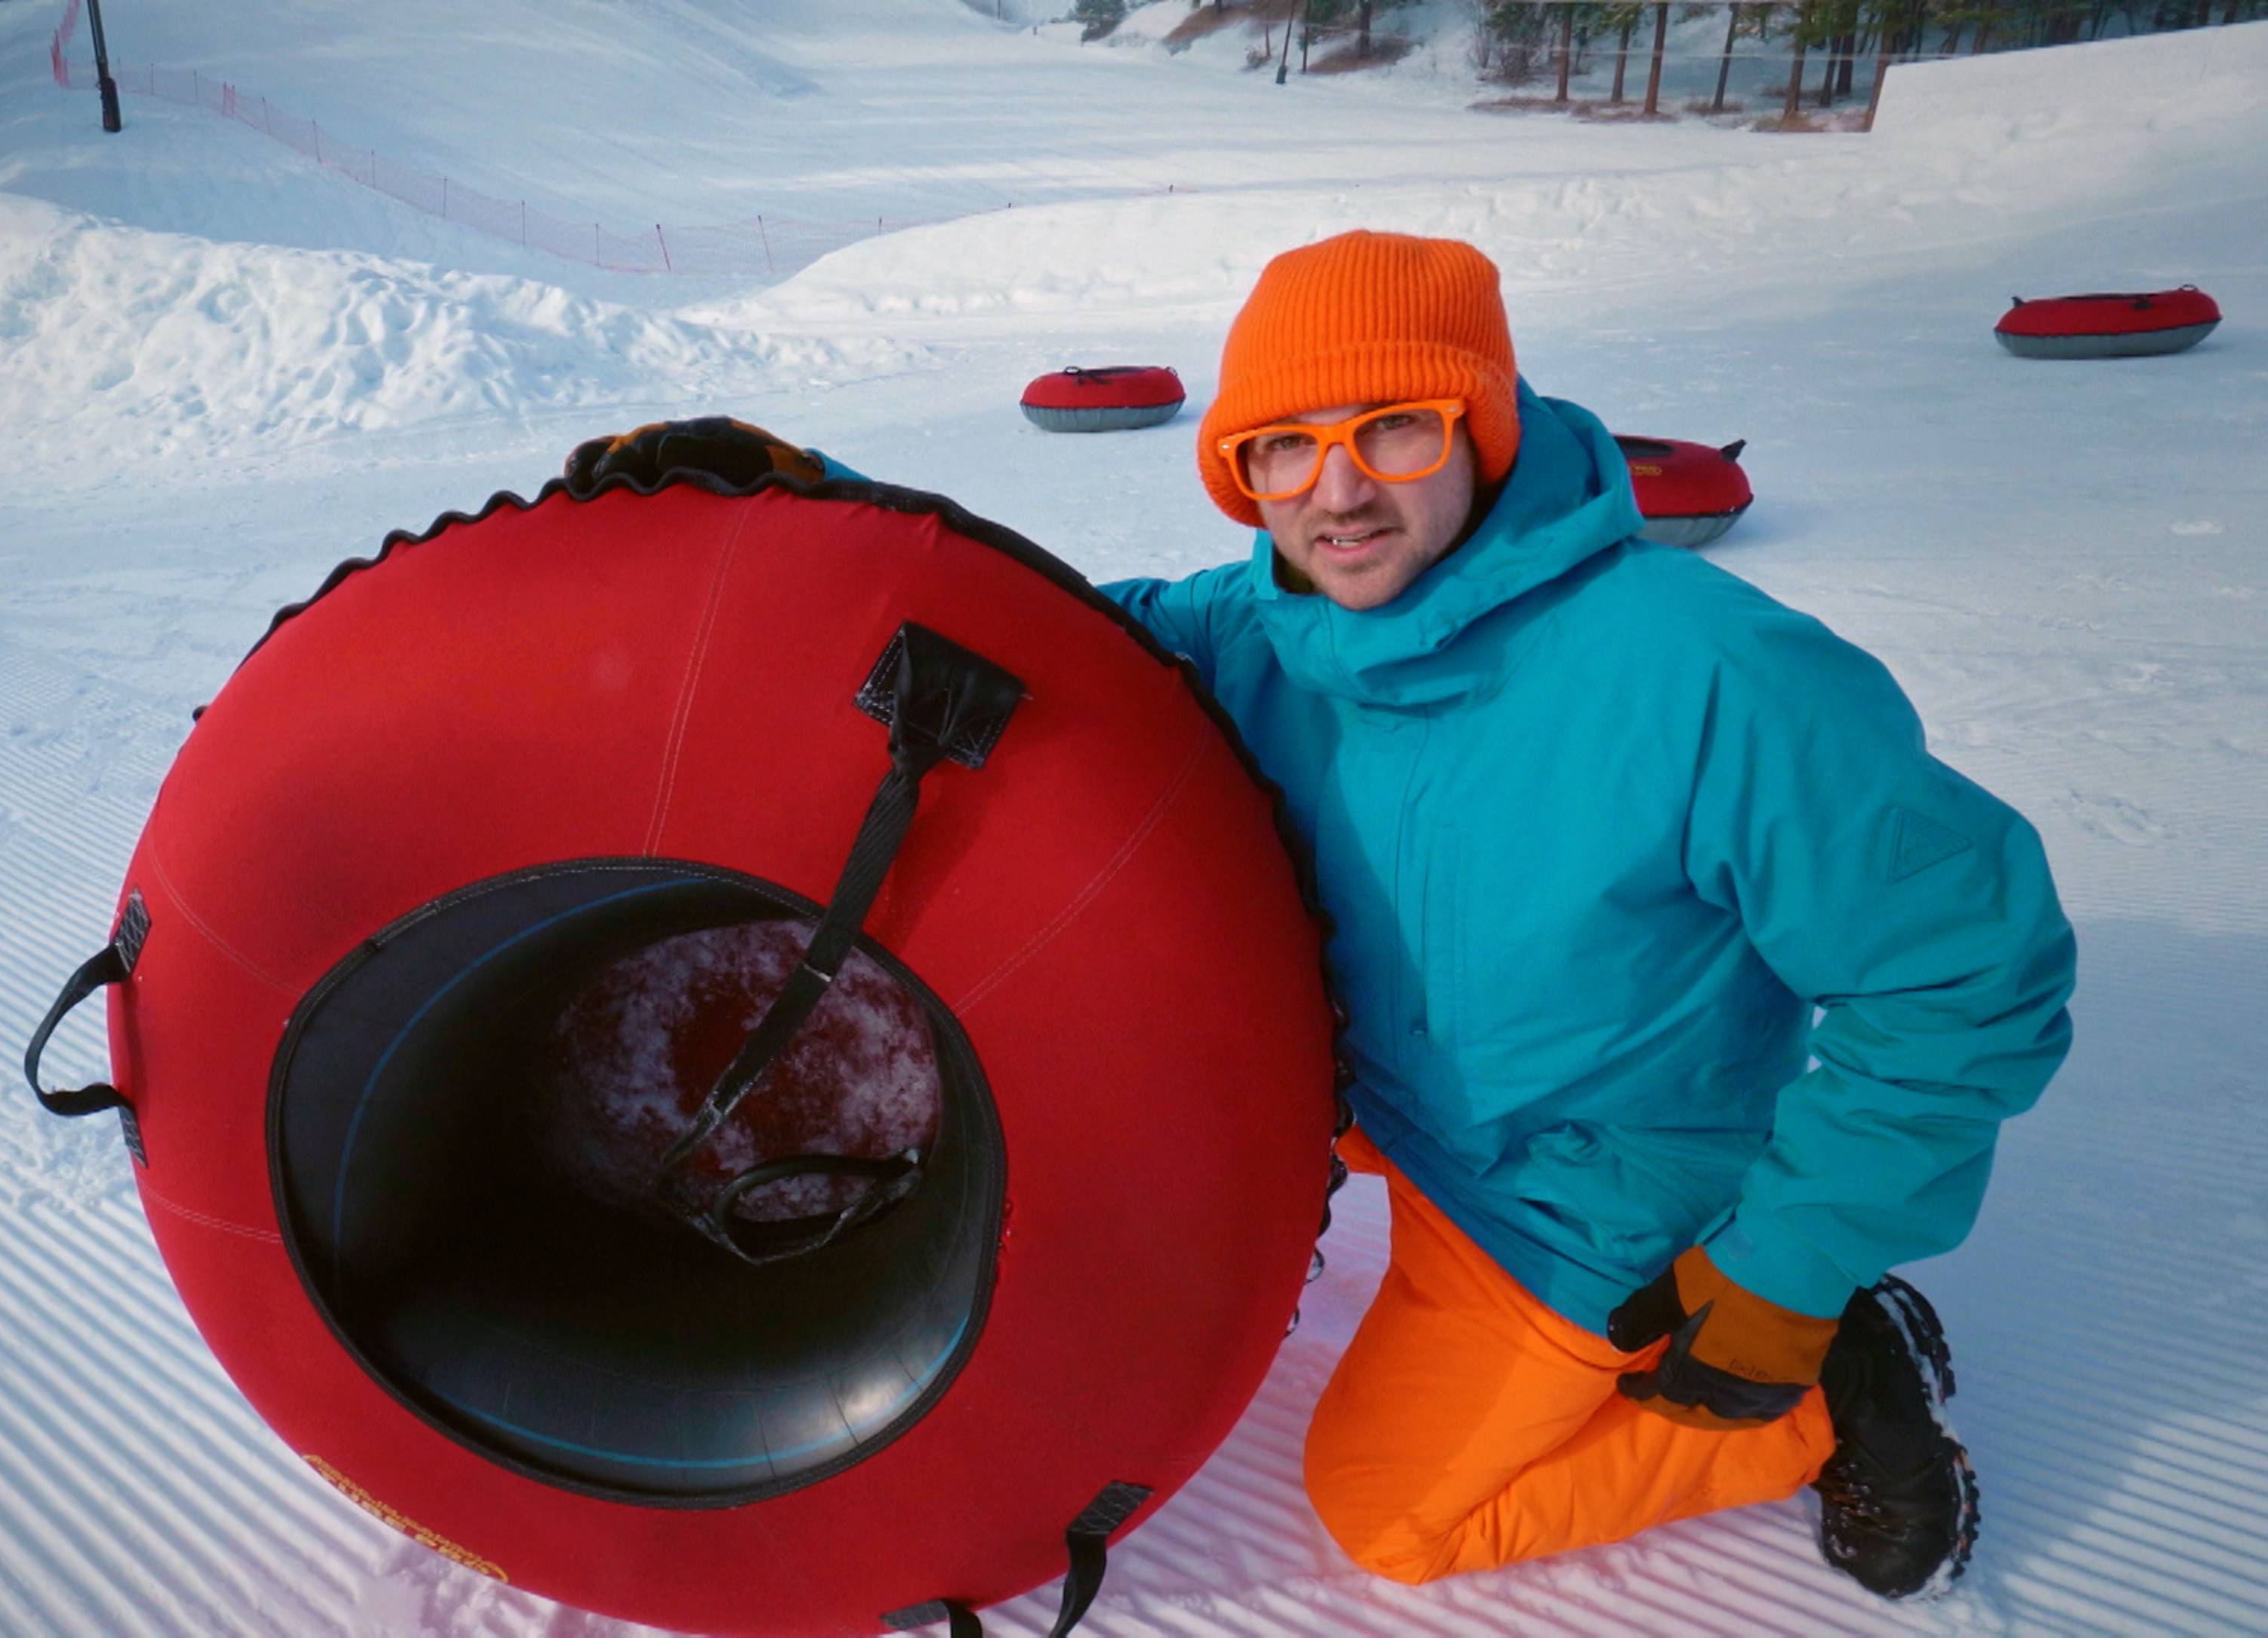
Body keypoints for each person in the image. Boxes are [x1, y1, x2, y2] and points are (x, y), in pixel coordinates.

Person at [561, 229, 2075, 1602]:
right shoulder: (1256, 629)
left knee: (1392, 1519)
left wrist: (1788, 1267)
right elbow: (1034, 642)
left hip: (1583, 1188)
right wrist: (814, 506)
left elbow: (1968, 974)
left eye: (1392, 430)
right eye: (1284, 448)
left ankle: (1828, 1397)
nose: (1337, 494)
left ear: (1483, 428)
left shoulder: (1706, 674)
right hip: (1365, 1099)